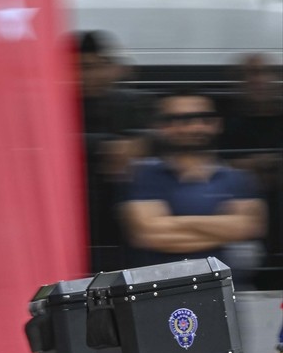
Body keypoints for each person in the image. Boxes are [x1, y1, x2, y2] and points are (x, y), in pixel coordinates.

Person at [121, 91, 267, 286]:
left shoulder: (238, 178)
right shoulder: (144, 175)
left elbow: (247, 227)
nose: (194, 127)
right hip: (160, 292)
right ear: (162, 127)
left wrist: (172, 224)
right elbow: (148, 234)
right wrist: (224, 231)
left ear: (217, 124)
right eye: (181, 120)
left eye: (204, 119)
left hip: (228, 292)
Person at [75, 31, 151, 274]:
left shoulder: (128, 102)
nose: (87, 76)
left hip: (122, 218)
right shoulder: (56, 105)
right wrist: (105, 146)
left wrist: (139, 145)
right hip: (76, 212)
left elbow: (154, 137)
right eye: (80, 68)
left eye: (95, 67)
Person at [221, 54, 283, 290]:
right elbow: (218, 167)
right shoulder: (227, 121)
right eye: (251, 74)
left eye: (266, 72)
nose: (259, 80)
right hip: (241, 220)